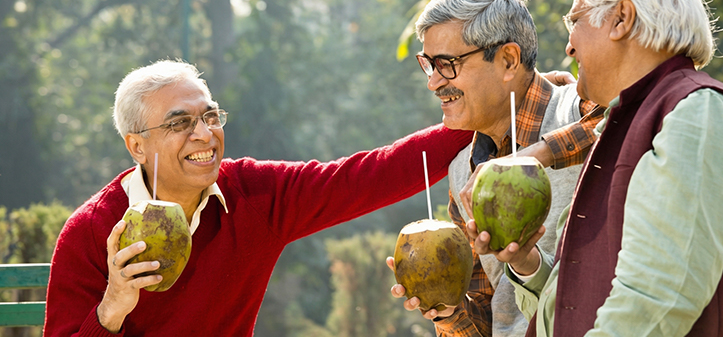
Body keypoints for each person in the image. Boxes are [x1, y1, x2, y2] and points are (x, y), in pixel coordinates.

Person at [461, 0, 723, 336]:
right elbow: (581, 303)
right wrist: (527, 262)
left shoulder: (698, 115)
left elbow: (657, 302)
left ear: (621, 19)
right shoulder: (627, 126)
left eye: (575, 21)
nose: (569, 46)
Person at [43, 60, 474, 336]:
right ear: (136, 146)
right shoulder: (93, 231)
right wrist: (111, 309)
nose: (204, 134)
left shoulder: (254, 194)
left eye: (210, 116)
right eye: (180, 123)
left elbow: (369, 175)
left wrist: (485, 111)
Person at [387, 0, 603, 336]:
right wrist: (448, 311)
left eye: (448, 64)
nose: (434, 83)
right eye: (429, 64)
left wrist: (538, 154)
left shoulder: (578, 111)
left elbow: (626, 117)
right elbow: (489, 317)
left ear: (508, 60)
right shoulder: (462, 173)